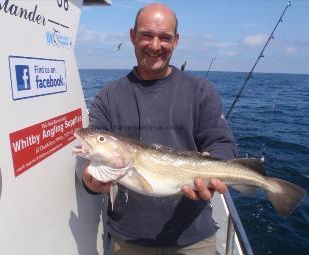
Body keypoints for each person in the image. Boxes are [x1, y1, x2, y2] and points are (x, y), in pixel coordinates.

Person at [77, 3, 236, 255]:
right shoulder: (108, 97)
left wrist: (215, 169)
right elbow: (91, 170)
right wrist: (91, 181)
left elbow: (222, 143)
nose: (154, 45)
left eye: (164, 37)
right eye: (146, 35)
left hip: (193, 236)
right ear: (132, 36)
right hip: (129, 237)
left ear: (176, 41)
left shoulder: (201, 90)